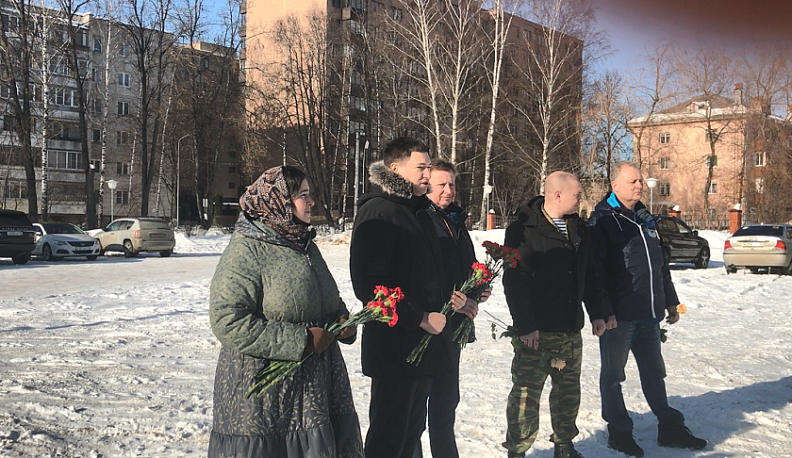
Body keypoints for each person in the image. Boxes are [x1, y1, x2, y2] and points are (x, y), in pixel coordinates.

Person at [207, 166, 363, 458]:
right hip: (267, 396)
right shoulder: (247, 249)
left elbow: (323, 298)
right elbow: (228, 321)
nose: (311, 202)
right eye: (303, 195)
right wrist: (299, 340)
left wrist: (342, 319)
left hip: (316, 391)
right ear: (279, 201)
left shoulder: (303, 244)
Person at [350, 137, 467, 458]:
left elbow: (428, 276)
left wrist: (459, 298)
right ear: (395, 169)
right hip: (396, 350)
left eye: (429, 167)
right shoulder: (379, 212)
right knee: (389, 440)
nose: (427, 174)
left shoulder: (417, 213)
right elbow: (371, 287)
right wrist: (419, 317)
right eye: (421, 168)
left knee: (410, 435)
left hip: (423, 349)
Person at [587, 161, 707, 457]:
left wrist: (670, 301)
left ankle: (669, 427)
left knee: (655, 373)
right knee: (613, 377)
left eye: (640, 181)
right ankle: (619, 431)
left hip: (650, 314)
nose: (639, 185)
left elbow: (660, 266)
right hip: (620, 317)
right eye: (633, 181)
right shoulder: (602, 221)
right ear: (615, 186)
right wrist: (604, 311)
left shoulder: (645, 218)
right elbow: (595, 273)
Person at [502, 171, 611, 458]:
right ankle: (518, 450)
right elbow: (515, 281)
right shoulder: (524, 228)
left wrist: (598, 312)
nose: (581, 199)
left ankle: (564, 445)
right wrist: (526, 326)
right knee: (526, 396)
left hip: (569, 328)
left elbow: (589, 274)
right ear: (557, 195)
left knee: (567, 393)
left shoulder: (578, 228)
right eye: (577, 194)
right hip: (536, 332)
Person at [413, 159, 490, 458]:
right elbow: (422, 273)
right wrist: (451, 297)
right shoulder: (422, 219)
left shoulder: (455, 220)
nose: (448, 190)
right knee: (417, 408)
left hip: (453, 326)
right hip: (426, 325)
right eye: (441, 184)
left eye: (452, 184)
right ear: (427, 185)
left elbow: (466, 265)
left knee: (446, 403)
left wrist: (477, 288)